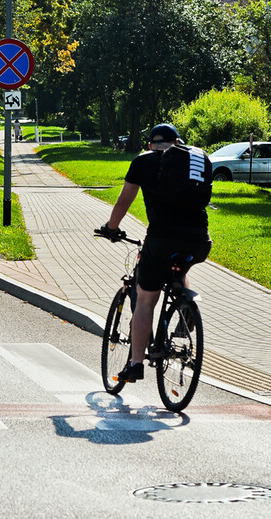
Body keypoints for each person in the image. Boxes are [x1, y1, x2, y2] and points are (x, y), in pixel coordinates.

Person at [97, 123, 212, 383]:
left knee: (146, 299)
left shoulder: (144, 161)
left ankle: (136, 364)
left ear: (150, 145)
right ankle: (184, 304)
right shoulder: (193, 161)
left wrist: (111, 228)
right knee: (180, 264)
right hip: (200, 241)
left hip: (162, 239)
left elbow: (124, 201)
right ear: (178, 143)